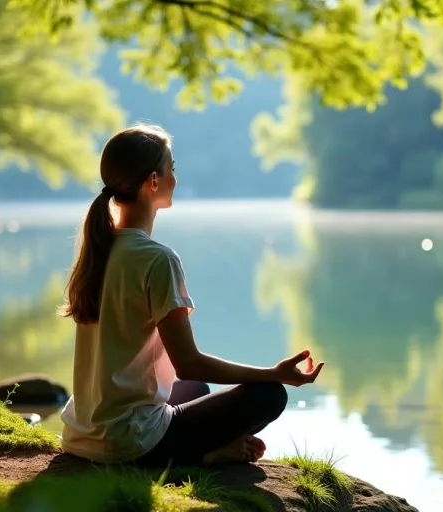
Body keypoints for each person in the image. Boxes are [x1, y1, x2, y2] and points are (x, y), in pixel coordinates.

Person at [58, 124, 324, 468]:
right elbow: (188, 363)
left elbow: (186, 374)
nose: (175, 177)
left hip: (82, 434)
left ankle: (207, 448)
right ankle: (203, 455)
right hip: (128, 444)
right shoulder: (157, 259)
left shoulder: (100, 247)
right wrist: (273, 373)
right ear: (153, 181)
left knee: (195, 389)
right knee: (268, 395)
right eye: (172, 168)